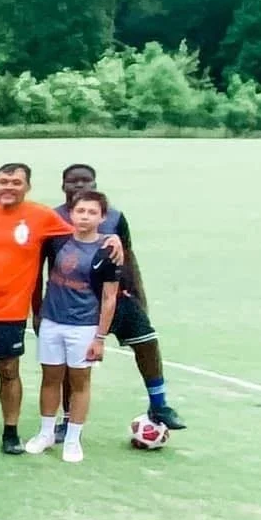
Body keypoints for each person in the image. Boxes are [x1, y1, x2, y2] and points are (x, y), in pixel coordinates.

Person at [0, 162, 108, 455]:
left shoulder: (41, 216)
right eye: (3, 181)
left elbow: (83, 231)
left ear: (27, 187)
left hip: (9, 312)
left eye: (16, 182)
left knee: (8, 371)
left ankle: (10, 431)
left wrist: (111, 238)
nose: (8, 187)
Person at [57, 163, 184, 430]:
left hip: (118, 297)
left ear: (95, 185)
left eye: (86, 181)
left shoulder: (114, 218)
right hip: (77, 302)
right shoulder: (53, 219)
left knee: (147, 342)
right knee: (75, 364)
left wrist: (139, 297)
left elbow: (129, 258)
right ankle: (68, 420)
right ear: (63, 186)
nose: (79, 186)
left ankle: (159, 404)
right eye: (72, 181)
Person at [27, 189, 122, 461]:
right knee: (50, 378)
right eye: (80, 211)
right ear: (71, 213)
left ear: (102, 217)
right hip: (52, 322)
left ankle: (72, 439)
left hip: (83, 327)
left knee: (80, 382)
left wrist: (100, 337)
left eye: (92, 212)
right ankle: (46, 433)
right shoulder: (57, 241)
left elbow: (109, 297)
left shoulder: (109, 250)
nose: (85, 216)